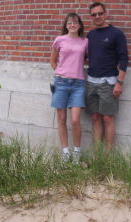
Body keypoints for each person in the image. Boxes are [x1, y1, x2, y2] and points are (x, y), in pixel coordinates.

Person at [86, 2, 128, 150]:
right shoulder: (90, 35)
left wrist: (119, 82)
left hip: (108, 82)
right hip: (91, 82)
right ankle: (98, 154)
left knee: (107, 118)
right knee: (95, 118)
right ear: (91, 16)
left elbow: (124, 59)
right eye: (94, 14)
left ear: (105, 14)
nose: (97, 17)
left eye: (100, 13)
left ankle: (108, 157)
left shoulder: (116, 33)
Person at [50, 13, 88, 161]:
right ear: (66, 25)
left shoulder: (85, 42)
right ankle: (65, 152)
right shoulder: (59, 40)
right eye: (69, 23)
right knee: (61, 118)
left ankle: (77, 152)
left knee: (75, 120)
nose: (72, 25)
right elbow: (52, 61)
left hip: (78, 84)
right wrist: (60, 72)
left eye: (75, 22)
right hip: (61, 83)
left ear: (79, 25)